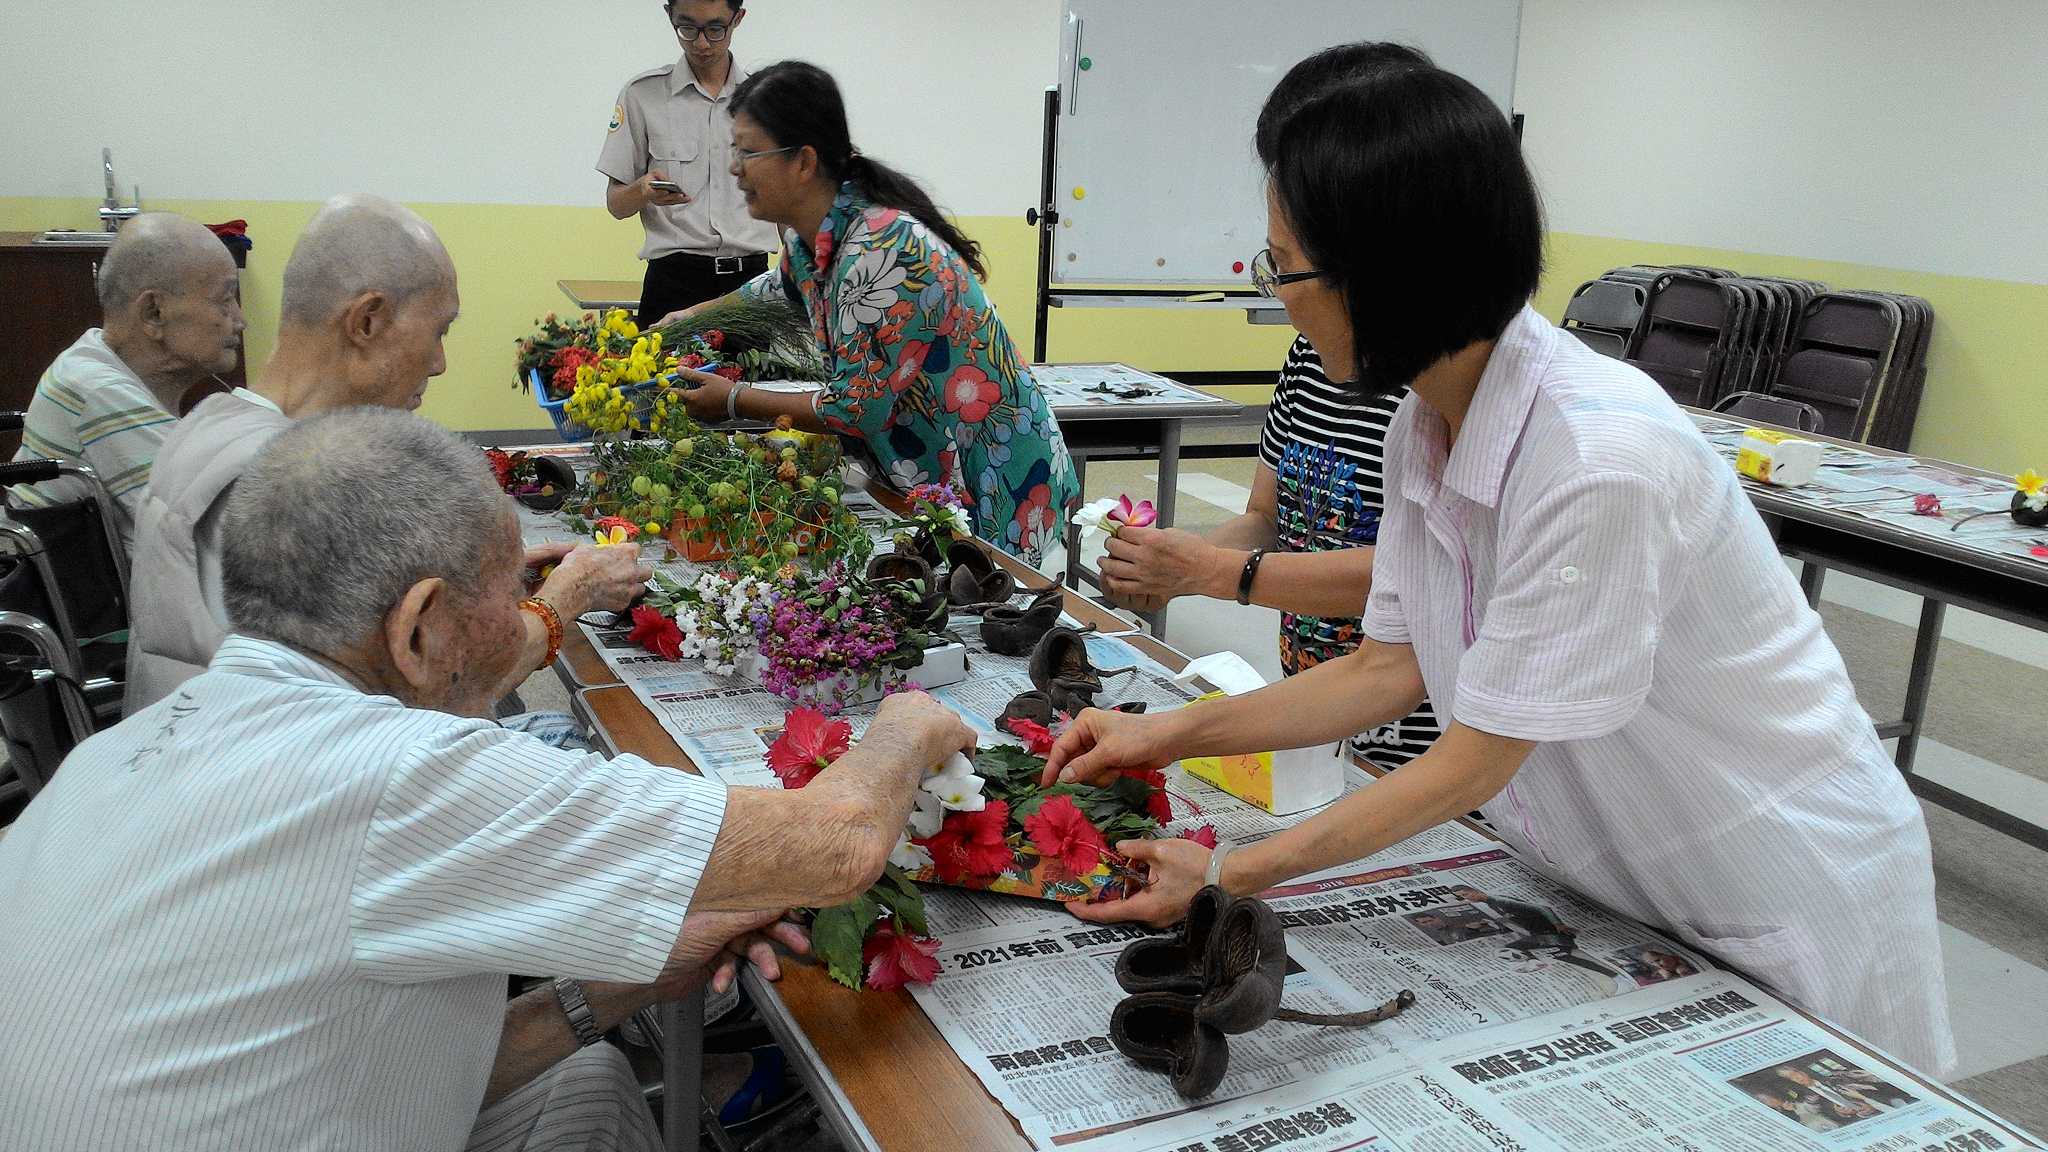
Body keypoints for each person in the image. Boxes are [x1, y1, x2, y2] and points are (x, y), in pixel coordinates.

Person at [1040, 49, 1953, 1075]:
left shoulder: (1595, 461)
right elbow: (1387, 668)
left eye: (1283, 267)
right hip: (1624, 878)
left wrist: (1230, 869)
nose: (1277, 298)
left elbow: (1473, 757)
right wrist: (1157, 734)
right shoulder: (1424, 423)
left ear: (1384, 276)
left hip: (1769, 878)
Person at [0, 407, 979, 1151]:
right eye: (513, 595)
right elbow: (842, 840)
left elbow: (379, 1068)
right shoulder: (394, 776)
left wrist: (619, 984)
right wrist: (904, 723)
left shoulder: (115, 760)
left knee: (590, 1081)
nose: (527, 622)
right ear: (419, 628)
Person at [122, 193, 642, 720]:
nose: (439, 364)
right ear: (367, 321)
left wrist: (475, 588)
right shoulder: (281, 483)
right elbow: (421, 703)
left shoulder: (213, 425)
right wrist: (569, 596)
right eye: (439, 331)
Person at [1097, 44, 1440, 766]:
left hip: (1408, 738)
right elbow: (1266, 516)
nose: (1279, 294)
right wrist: (1168, 560)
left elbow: (1415, 576)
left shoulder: (1437, 398)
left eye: (1283, 266)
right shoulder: (1313, 357)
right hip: (1318, 705)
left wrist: (1213, 574)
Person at [664, 60, 1080, 566]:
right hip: (927, 480)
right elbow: (772, 293)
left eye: (749, 151)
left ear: (803, 161)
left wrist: (733, 401)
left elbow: (856, 408)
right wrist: (688, 320)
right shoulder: (813, 239)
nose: (735, 168)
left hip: (995, 485)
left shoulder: (883, 250)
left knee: (988, 627)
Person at [10, 212, 244, 553]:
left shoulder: (101, 365)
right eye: (225, 300)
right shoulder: (95, 389)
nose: (240, 320)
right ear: (154, 313)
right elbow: (224, 538)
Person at [599, 0, 778, 329]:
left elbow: (786, 201)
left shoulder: (765, 98)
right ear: (669, 15)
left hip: (750, 285)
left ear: (738, 18)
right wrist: (642, 190)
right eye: (687, 28)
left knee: (751, 382)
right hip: (673, 282)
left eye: (715, 29)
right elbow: (616, 205)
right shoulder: (643, 95)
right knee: (664, 382)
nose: (701, 43)